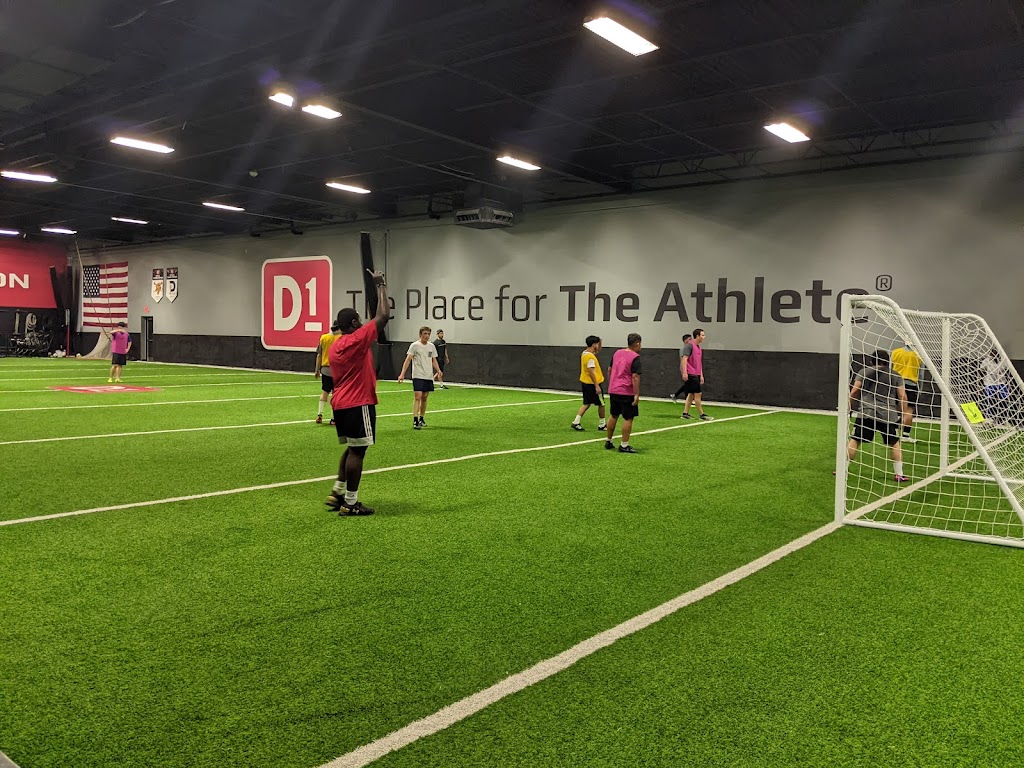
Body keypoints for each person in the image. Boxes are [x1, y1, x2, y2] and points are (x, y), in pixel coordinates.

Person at [325, 269, 390, 516]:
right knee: (358, 451)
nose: (362, 323)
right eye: (359, 320)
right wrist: (381, 285)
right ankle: (350, 503)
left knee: (352, 447)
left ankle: (337, 492)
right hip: (357, 401)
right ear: (353, 324)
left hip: (340, 403)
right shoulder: (356, 339)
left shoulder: (336, 345)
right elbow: (383, 316)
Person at [846, 349, 912, 482]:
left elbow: (854, 391)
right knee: (894, 443)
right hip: (887, 414)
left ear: (872, 361)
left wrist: (849, 407)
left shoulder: (864, 372)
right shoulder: (895, 375)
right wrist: (904, 413)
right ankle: (899, 474)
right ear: (888, 361)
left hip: (866, 412)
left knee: (855, 440)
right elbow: (902, 396)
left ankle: (843, 469)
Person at [398, 326, 442, 430]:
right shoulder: (414, 346)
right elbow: (408, 359)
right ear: (420, 334)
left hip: (428, 375)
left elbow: (433, 360)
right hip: (418, 375)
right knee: (418, 396)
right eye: (425, 333)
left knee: (425, 397)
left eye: (428, 334)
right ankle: (415, 419)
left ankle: (422, 418)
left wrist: (438, 370)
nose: (427, 336)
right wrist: (402, 374)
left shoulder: (431, 346)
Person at [605, 333, 642, 453]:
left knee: (613, 415)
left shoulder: (617, 353)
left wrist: (612, 383)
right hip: (626, 391)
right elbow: (635, 376)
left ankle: (608, 441)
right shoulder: (635, 357)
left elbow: (609, 369)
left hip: (614, 389)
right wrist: (636, 394)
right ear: (637, 344)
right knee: (628, 418)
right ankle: (624, 445)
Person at [571, 335, 607, 432]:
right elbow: (591, 371)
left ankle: (576, 421)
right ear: (594, 344)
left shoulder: (585, 353)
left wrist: (600, 342)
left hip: (586, 383)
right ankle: (602, 424)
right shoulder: (590, 357)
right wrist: (597, 386)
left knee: (586, 403)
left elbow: (598, 350)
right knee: (601, 404)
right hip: (592, 384)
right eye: (597, 344)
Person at [891, 340, 922, 442]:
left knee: (896, 409)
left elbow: (890, 369)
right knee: (909, 410)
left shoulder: (895, 352)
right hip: (911, 385)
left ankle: (893, 432)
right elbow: (921, 374)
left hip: (896, 384)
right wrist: (920, 388)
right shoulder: (918, 355)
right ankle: (905, 435)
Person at [680, 328, 712, 420]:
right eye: (702, 335)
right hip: (691, 374)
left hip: (696, 374)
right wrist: (685, 373)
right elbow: (684, 359)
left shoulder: (698, 348)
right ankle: (702, 414)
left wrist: (701, 375)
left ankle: (685, 413)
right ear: (697, 336)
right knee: (698, 394)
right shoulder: (689, 346)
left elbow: (699, 362)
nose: (704, 337)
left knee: (691, 394)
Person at [314, 322, 341, 425]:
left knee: (325, 392)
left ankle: (319, 414)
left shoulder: (324, 338)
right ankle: (333, 419)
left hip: (325, 369)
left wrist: (317, 370)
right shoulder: (341, 338)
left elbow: (319, 355)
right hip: (337, 370)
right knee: (336, 395)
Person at [981, 348, 1010, 424]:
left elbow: (1007, 371)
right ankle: (988, 417)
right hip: (989, 383)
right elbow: (981, 370)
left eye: (995, 353)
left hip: (1001, 383)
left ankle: (1004, 418)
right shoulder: (987, 361)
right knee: (988, 400)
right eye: (992, 354)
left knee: (1005, 399)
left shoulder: (1003, 361)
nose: (993, 355)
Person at [669, 334, 692, 403]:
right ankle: (687, 400)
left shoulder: (689, 348)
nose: (691, 341)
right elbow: (682, 360)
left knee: (688, 385)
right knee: (688, 385)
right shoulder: (683, 349)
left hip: (689, 369)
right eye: (689, 339)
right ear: (685, 341)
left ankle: (676, 395)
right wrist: (683, 371)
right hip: (685, 369)